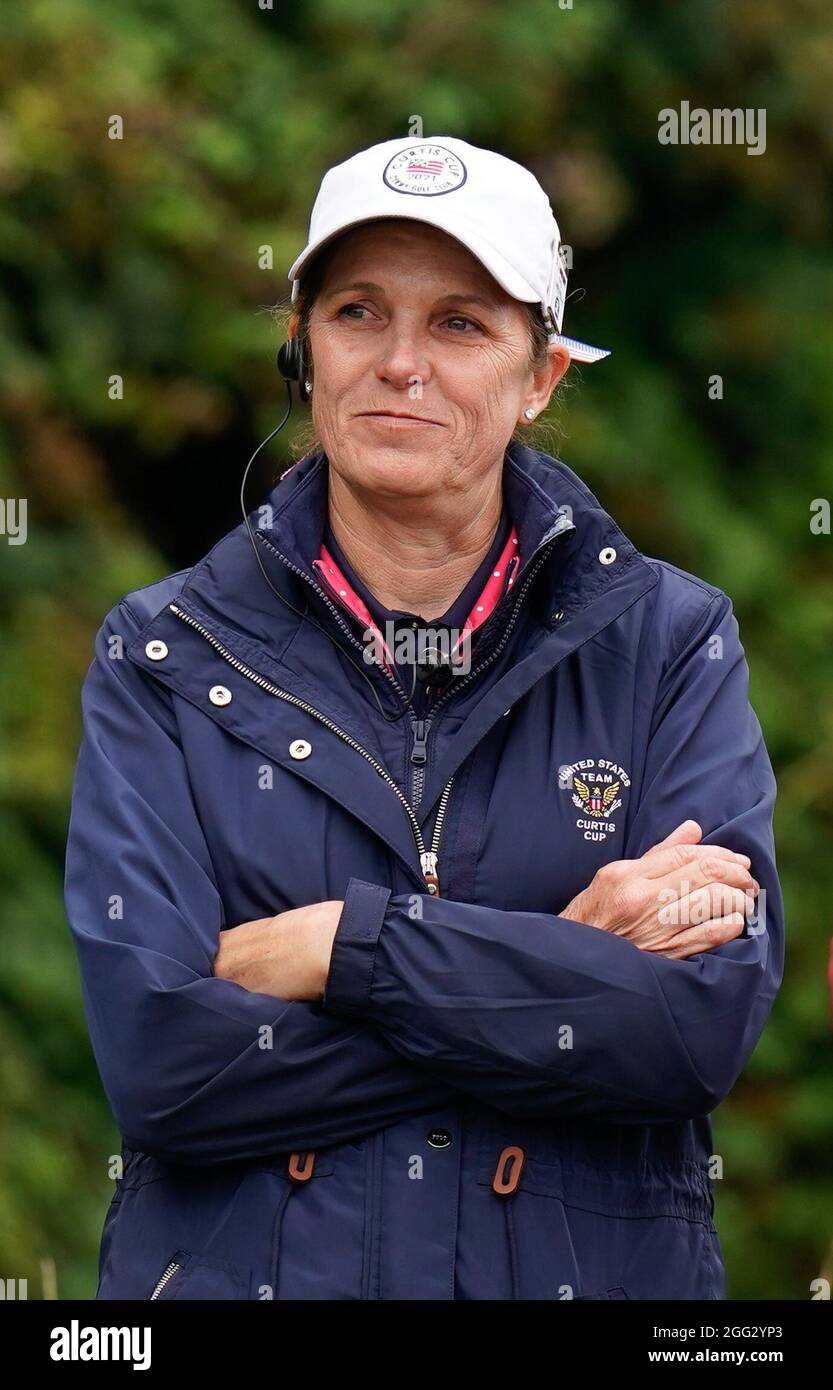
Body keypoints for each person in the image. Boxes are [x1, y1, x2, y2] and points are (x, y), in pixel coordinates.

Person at [64, 134, 784, 1301]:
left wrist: (345, 951)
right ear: (303, 347)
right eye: (357, 312)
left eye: (459, 323)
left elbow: (691, 1032)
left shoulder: (667, 643)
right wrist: (568, 964)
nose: (400, 362)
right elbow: (166, 1069)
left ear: (540, 373)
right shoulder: (163, 652)